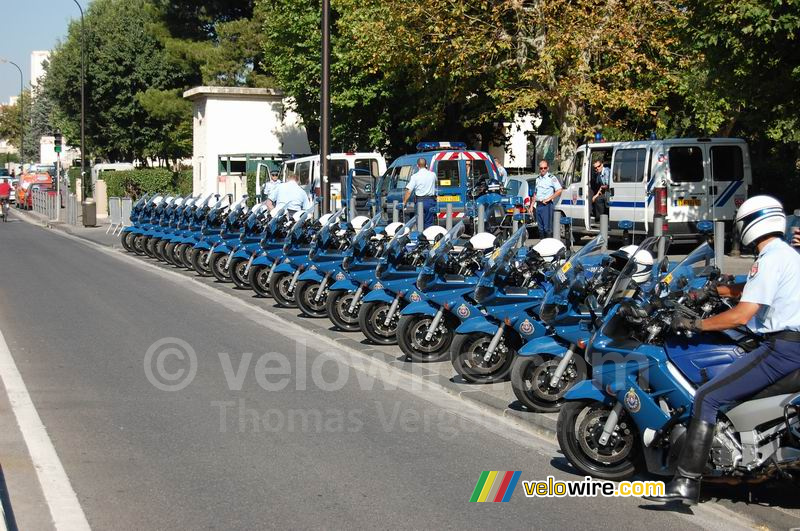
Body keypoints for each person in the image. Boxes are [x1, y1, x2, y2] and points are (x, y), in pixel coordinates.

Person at [645, 195, 800, 506]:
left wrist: (696, 325)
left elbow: (742, 314)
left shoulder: (770, 257)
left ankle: (687, 481)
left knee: (708, 396)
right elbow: (754, 290)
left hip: (782, 348)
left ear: (750, 225)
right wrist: (716, 290)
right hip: (789, 346)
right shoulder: (785, 254)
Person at [528, 160, 562, 238]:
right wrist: (531, 206)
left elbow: (559, 190)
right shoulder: (538, 179)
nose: (543, 169)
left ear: (548, 168)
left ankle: (549, 247)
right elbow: (535, 193)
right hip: (539, 205)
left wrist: (549, 198)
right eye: (541, 168)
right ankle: (542, 246)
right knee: (540, 229)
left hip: (547, 205)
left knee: (547, 229)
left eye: (545, 168)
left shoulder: (551, 178)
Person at [403, 158, 437, 228]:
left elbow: (408, 191)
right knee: (429, 222)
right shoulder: (433, 175)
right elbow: (436, 183)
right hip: (430, 201)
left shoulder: (415, 176)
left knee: (420, 222)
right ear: (426, 165)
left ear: (417, 166)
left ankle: (421, 237)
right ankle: (428, 237)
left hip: (420, 201)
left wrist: (404, 202)